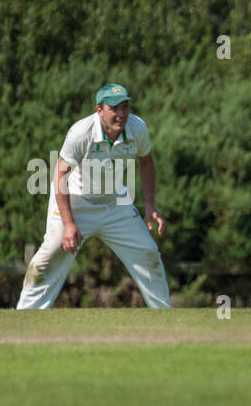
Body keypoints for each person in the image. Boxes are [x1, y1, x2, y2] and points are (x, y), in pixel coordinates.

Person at [17, 83, 169, 309]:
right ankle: (24, 318)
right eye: (114, 108)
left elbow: (146, 162)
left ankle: (165, 316)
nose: (121, 114)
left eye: (125, 107)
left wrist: (150, 205)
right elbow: (60, 175)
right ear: (99, 109)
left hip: (115, 203)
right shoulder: (81, 132)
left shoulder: (137, 128)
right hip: (75, 201)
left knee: (148, 253)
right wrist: (68, 223)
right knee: (47, 260)